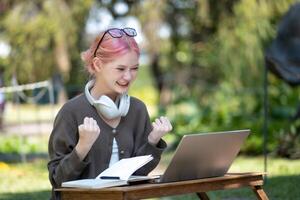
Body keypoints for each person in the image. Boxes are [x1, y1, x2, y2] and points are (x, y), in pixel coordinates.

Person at [47, 27, 172, 200]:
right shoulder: (71, 112)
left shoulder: (137, 109)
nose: (128, 77)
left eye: (134, 68)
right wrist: (82, 147)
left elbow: (138, 174)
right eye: (120, 69)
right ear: (97, 65)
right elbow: (58, 180)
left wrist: (152, 141)